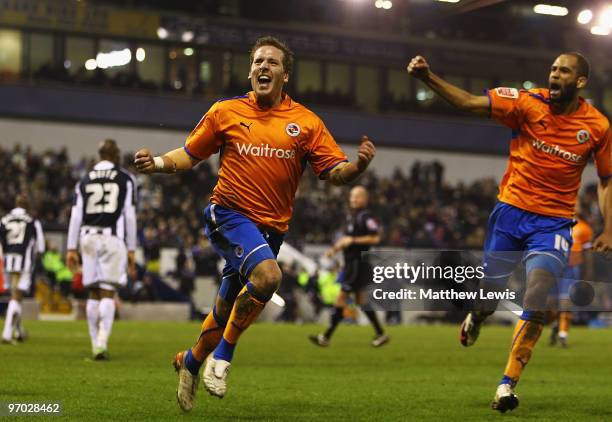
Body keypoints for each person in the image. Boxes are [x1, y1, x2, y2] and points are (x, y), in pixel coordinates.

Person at [134, 35, 375, 412]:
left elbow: (335, 172)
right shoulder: (226, 112)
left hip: (271, 230)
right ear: (250, 72)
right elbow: (190, 153)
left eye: (272, 62)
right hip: (227, 214)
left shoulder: (306, 123)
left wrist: (357, 167)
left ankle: (191, 362)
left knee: (225, 308)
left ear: (286, 75)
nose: (263, 67)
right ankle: (223, 360)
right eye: (258, 62)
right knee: (268, 277)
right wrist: (159, 164)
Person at [407, 52, 612, 412]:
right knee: (490, 294)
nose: (554, 75)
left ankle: (506, 384)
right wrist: (428, 78)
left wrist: (609, 228)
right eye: (552, 69)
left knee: (538, 294)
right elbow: (470, 103)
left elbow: (608, 179)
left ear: (580, 82)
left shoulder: (597, 126)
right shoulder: (526, 104)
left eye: (563, 71)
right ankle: (478, 315)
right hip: (510, 214)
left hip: (553, 223)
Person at [66, 139, 137, 360]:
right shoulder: (126, 178)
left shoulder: (84, 179)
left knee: (93, 291)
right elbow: (129, 215)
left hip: (87, 238)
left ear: (99, 154)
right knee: (108, 290)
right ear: (116, 154)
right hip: (111, 238)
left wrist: (70, 247)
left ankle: (94, 341)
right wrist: (132, 248)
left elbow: (76, 215)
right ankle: (101, 343)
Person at [309, 185, 388, 347]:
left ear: (365, 199)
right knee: (360, 300)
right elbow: (346, 239)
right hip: (352, 264)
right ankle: (380, 334)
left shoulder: (366, 217)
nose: (353, 199)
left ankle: (326, 337)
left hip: (358, 263)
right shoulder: (353, 217)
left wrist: (353, 241)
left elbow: (375, 238)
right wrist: (334, 249)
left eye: (357, 196)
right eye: (352, 196)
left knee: (341, 298)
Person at [0, 194, 45, 344]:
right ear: (27, 206)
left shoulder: (4, 219)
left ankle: (18, 331)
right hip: (23, 262)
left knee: (14, 295)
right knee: (17, 297)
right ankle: (7, 333)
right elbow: (41, 247)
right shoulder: (32, 221)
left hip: (7, 261)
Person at [549, 207, 593, 348]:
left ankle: (563, 334)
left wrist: (588, 273)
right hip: (554, 267)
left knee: (566, 302)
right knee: (552, 302)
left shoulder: (584, 229)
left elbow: (588, 254)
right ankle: (556, 325)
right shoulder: (554, 225)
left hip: (571, 268)